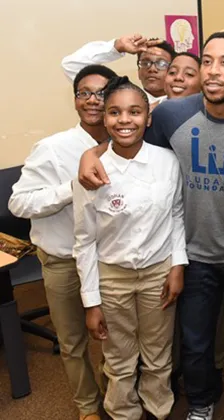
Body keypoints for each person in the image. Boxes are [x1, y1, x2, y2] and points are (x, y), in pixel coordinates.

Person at [77, 31, 224, 420]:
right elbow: (128, 141)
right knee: (195, 341)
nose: (213, 71)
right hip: (193, 253)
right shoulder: (171, 114)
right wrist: (90, 152)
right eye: (208, 61)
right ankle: (200, 401)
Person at [73, 76, 186, 420]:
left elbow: (176, 215)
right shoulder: (92, 171)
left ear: (148, 118)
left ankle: (158, 409)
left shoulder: (168, 162)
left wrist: (177, 266)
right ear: (104, 118)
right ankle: (123, 412)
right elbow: (84, 241)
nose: (125, 120)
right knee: (119, 356)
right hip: (112, 278)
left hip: (157, 272)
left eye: (135, 112)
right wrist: (91, 303)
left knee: (158, 353)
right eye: (115, 113)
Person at [8, 64, 117, 420]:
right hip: (64, 262)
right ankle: (87, 407)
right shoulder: (53, 149)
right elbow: (18, 203)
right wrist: (71, 188)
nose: (92, 100)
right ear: (74, 101)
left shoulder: (124, 143)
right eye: (84, 92)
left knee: (117, 338)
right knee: (73, 342)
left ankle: (113, 395)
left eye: (101, 93)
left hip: (111, 259)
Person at [62, 34, 175, 104]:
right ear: (138, 72)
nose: (152, 69)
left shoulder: (188, 102)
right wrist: (117, 47)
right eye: (145, 63)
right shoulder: (120, 95)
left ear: (172, 71)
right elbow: (71, 66)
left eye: (161, 63)